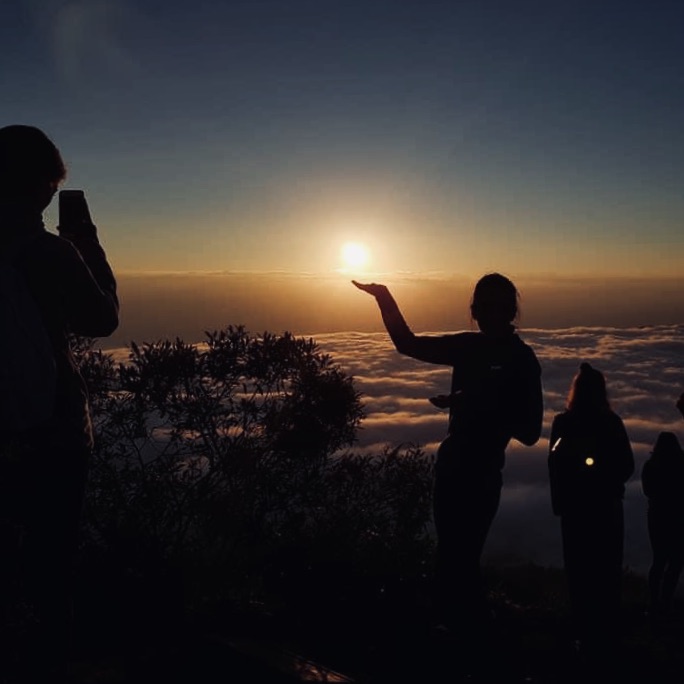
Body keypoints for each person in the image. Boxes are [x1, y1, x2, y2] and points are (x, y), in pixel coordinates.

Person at [353, 273, 543, 641]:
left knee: (462, 559)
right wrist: (384, 298)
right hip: (453, 468)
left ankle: (465, 639)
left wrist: (477, 400)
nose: (486, 313)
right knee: (451, 559)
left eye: (494, 306)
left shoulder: (521, 360)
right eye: (481, 306)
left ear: (510, 311)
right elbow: (408, 345)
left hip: (482, 473)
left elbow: (530, 432)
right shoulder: (469, 348)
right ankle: (457, 638)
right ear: (474, 310)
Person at [0, 125, 119, 681]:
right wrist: (85, 239)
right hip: (54, 431)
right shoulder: (52, 252)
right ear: (47, 187)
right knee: (51, 570)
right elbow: (101, 320)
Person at [548, 363, 634, 661]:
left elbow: (554, 465)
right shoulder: (612, 422)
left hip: (575, 511)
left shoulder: (563, 423)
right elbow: (626, 465)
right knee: (607, 571)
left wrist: (560, 502)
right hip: (606, 509)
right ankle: (607, 637)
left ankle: (584, 635)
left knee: (580, 571)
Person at [642, 421, 684, 621]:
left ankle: (655, 602)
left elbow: (647, 491)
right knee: (675, 561)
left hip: (657, 516)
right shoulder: (680, 465)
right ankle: (665, 601)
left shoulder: (651, 466)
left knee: (659, 560)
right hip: (677, 517)